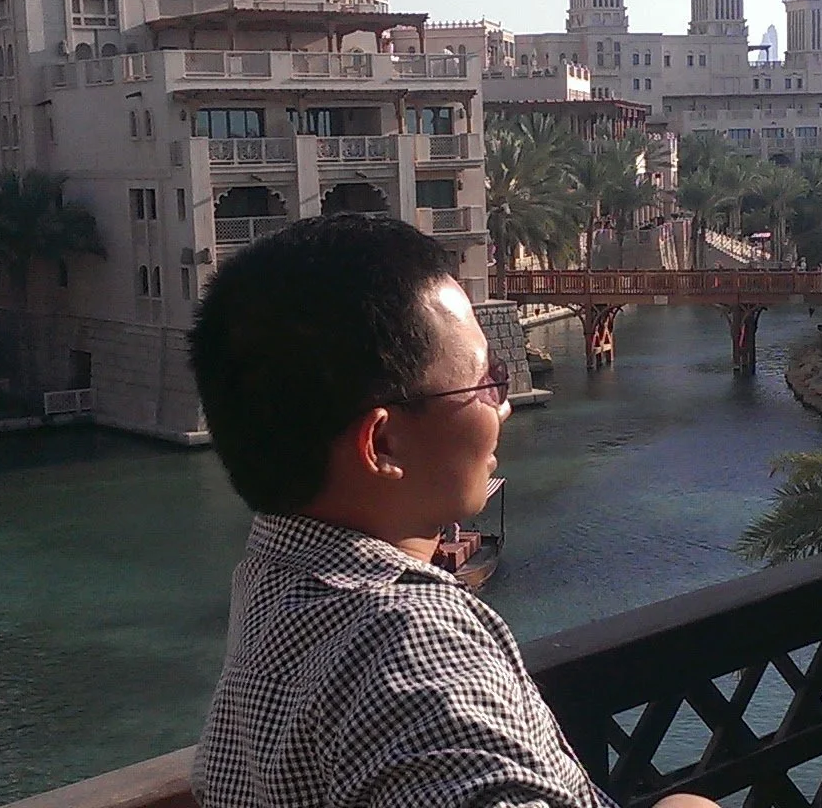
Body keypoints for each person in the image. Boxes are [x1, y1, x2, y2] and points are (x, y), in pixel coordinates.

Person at [189, 215, 714, 808]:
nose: (504, 407)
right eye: (486, 382)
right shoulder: (412, 646)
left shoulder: (271, 577)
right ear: (383, 444)